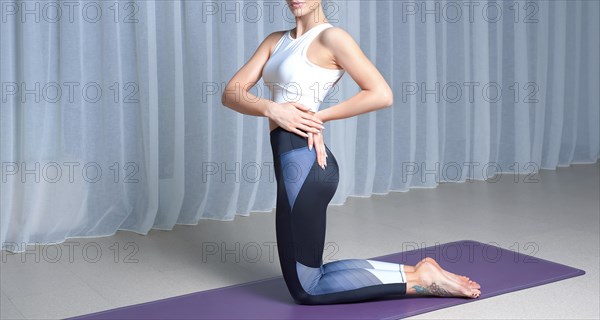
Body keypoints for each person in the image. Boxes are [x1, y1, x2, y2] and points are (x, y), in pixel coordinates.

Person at [222, 0, 481, 305]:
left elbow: (381, 94)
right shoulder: (275, 41)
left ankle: (421, 282)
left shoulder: (332, 37)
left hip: (304, 168)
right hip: (295, 164)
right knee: (312, 275)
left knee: (307, 289)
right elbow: (231, 92)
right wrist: (273, 109)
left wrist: (319, 117)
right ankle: (418, 271)